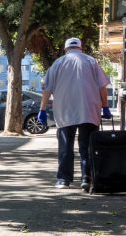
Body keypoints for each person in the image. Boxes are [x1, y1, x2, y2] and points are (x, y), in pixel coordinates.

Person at [37, 37, 111, 190]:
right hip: (89, 110)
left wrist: (42, 110)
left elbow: (47, 89)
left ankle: (63, 180)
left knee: (65, 147)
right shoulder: (91, 61)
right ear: (80, 48)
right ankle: (87, 178)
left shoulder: (57, 63)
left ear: (65, 49)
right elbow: (103, 87)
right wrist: (105, 106)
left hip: (65, 111)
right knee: (87, 146)